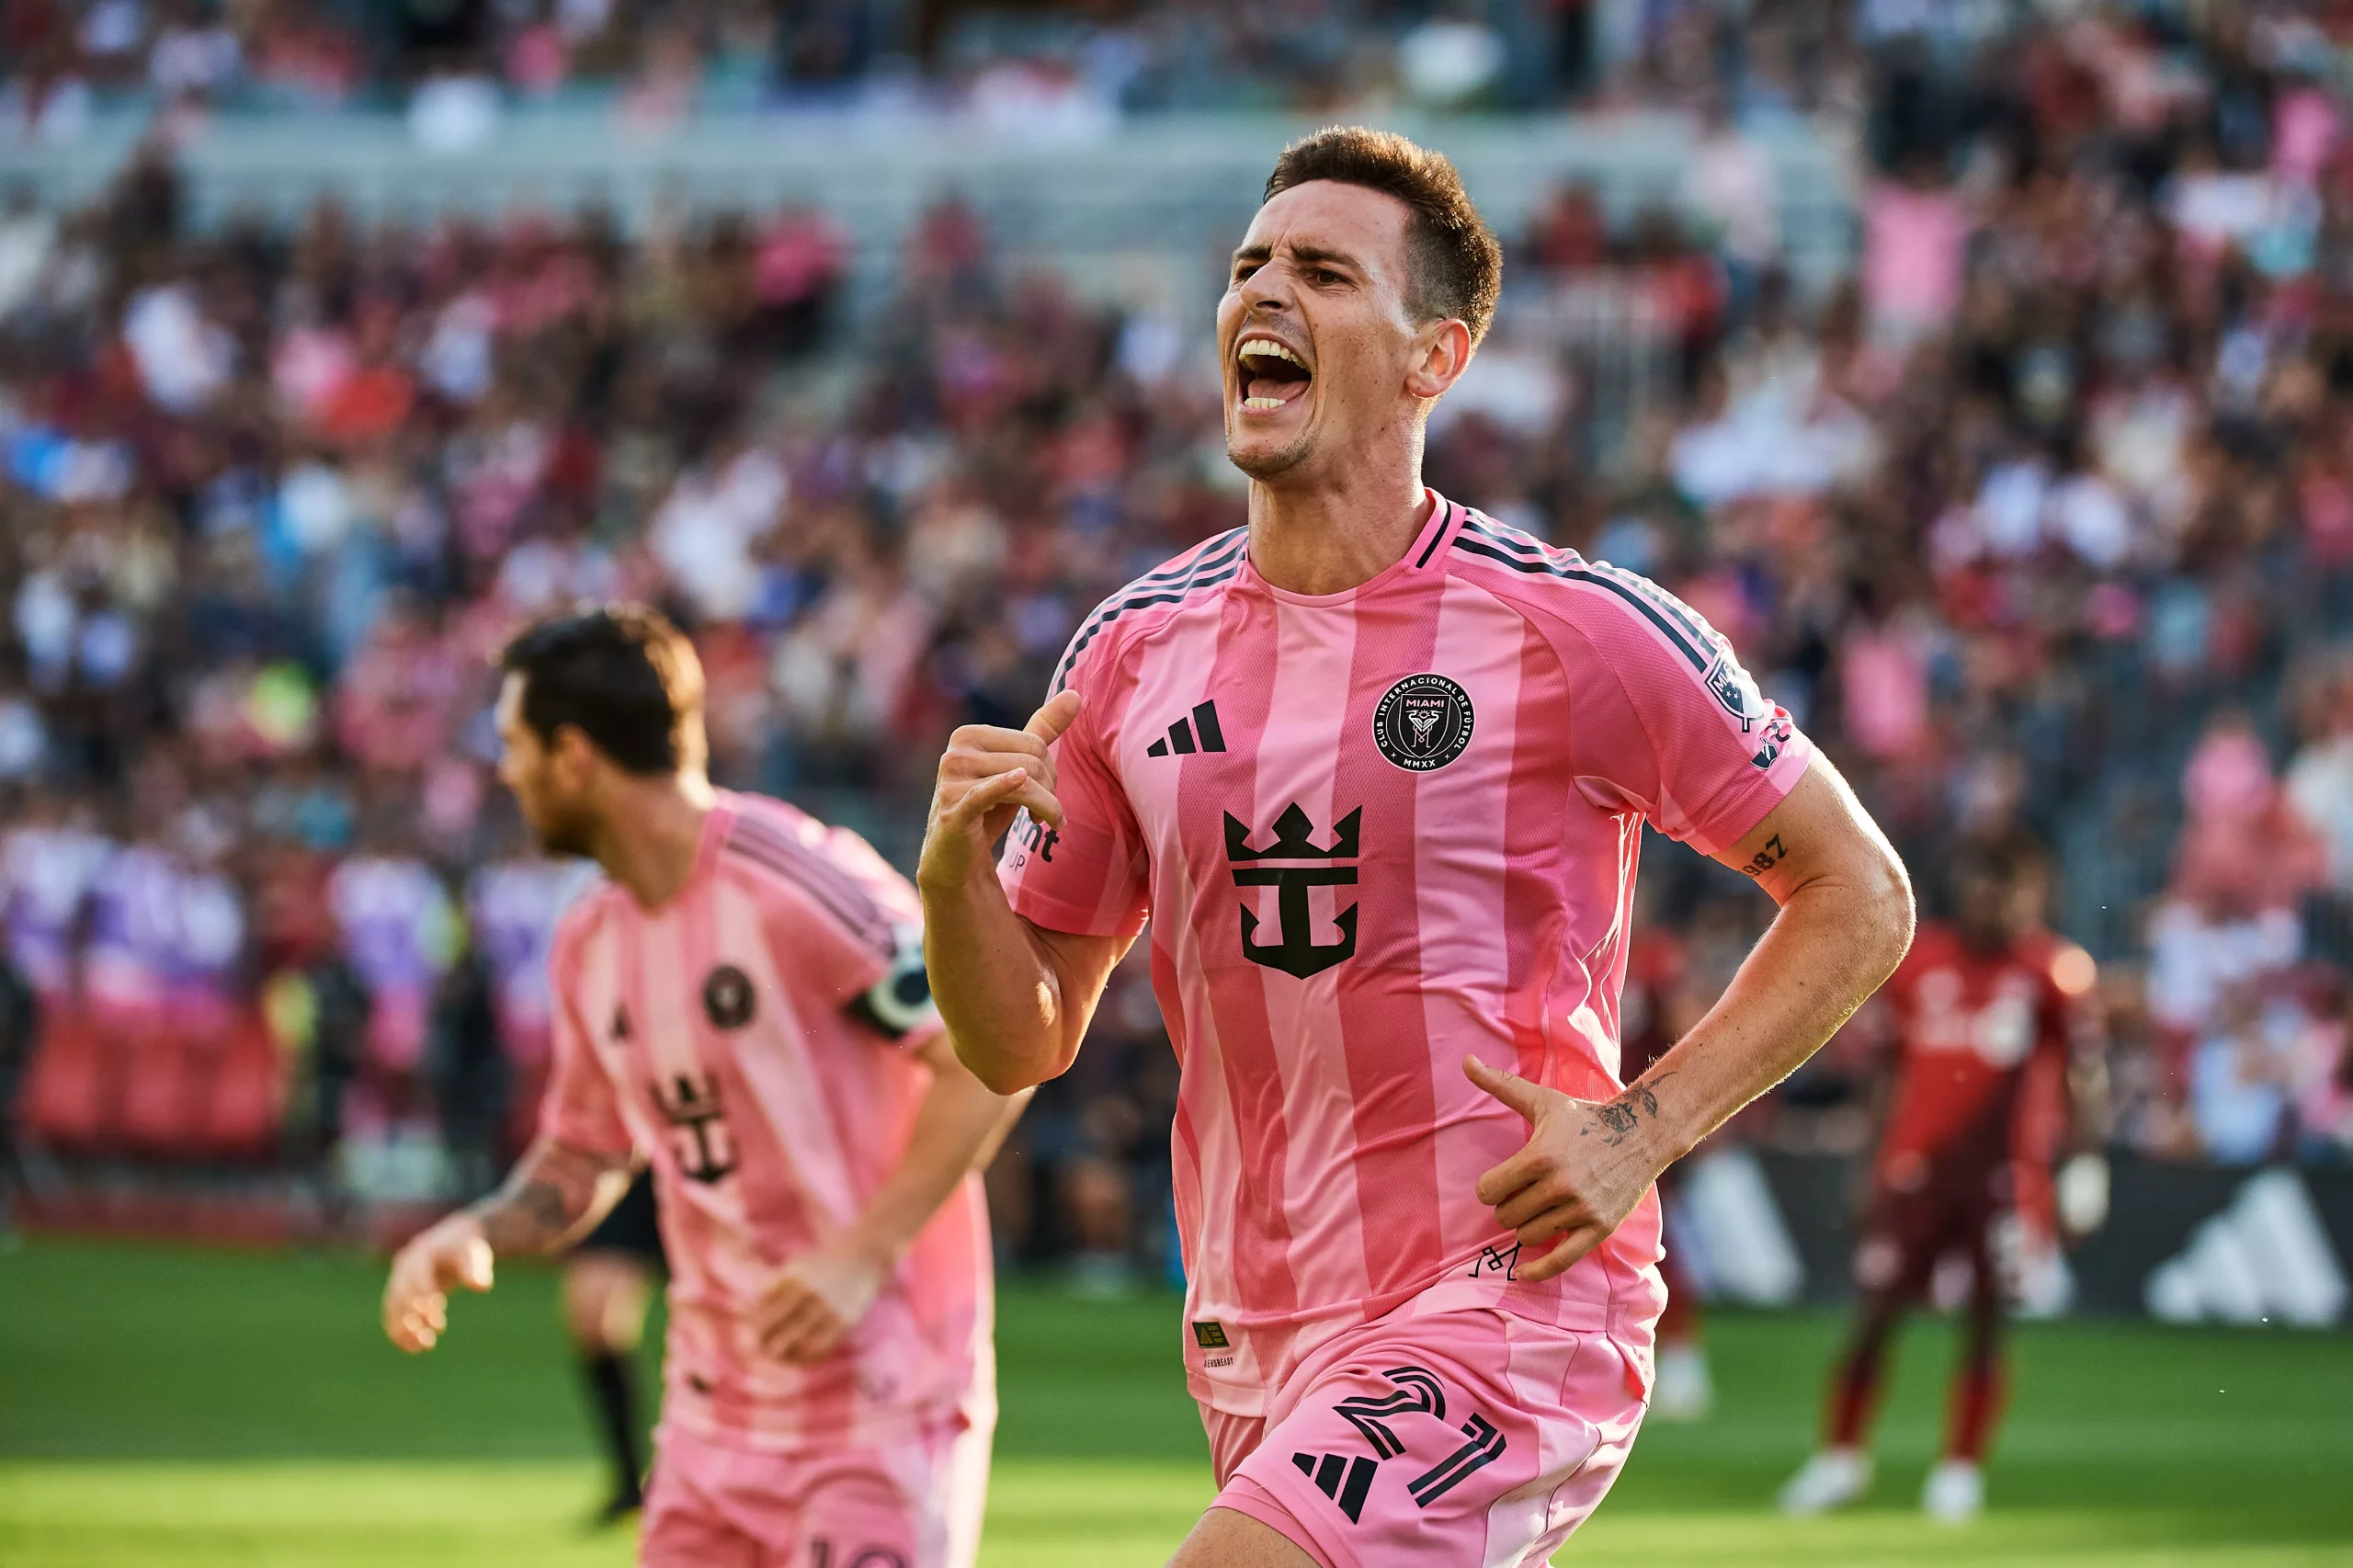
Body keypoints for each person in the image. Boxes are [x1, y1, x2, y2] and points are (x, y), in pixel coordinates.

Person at [916, 127, 1915, 1568]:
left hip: (1511, 1294)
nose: (1266, 291)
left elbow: (1859, 889)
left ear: (1434, 357)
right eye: (1251, 263)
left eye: (1325, 272)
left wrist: (1643, 1130)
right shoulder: (1130, 653)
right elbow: (1020, 1038)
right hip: (1255, 1323)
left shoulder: (1572, 630)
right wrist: (952, 877)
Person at [382, 606, 1029, 1568]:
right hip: (709, 1426)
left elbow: (991, 1058)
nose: (505, 773)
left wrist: (862, 1253)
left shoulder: (794, 883)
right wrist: (475, 1231)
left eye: (514, 745)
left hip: (878, 1409)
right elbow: (586, 1152)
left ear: (574, 756)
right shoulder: (589, 940)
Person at [1779, 834, 2108, 1524]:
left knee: (1987, 1321)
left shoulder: (2054, 972)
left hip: (2004, 1176)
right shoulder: (1920, 962)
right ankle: (1840, 1458)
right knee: (1875, 1314)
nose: (1990, 903)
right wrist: (1869, 1163)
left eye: (2004, 889)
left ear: (2032, 895)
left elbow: (2083, 1077)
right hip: (1915, 1171)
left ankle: (1960, 1469)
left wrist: (2085, 1166)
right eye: (1980, 887)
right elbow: (1887, 1072)